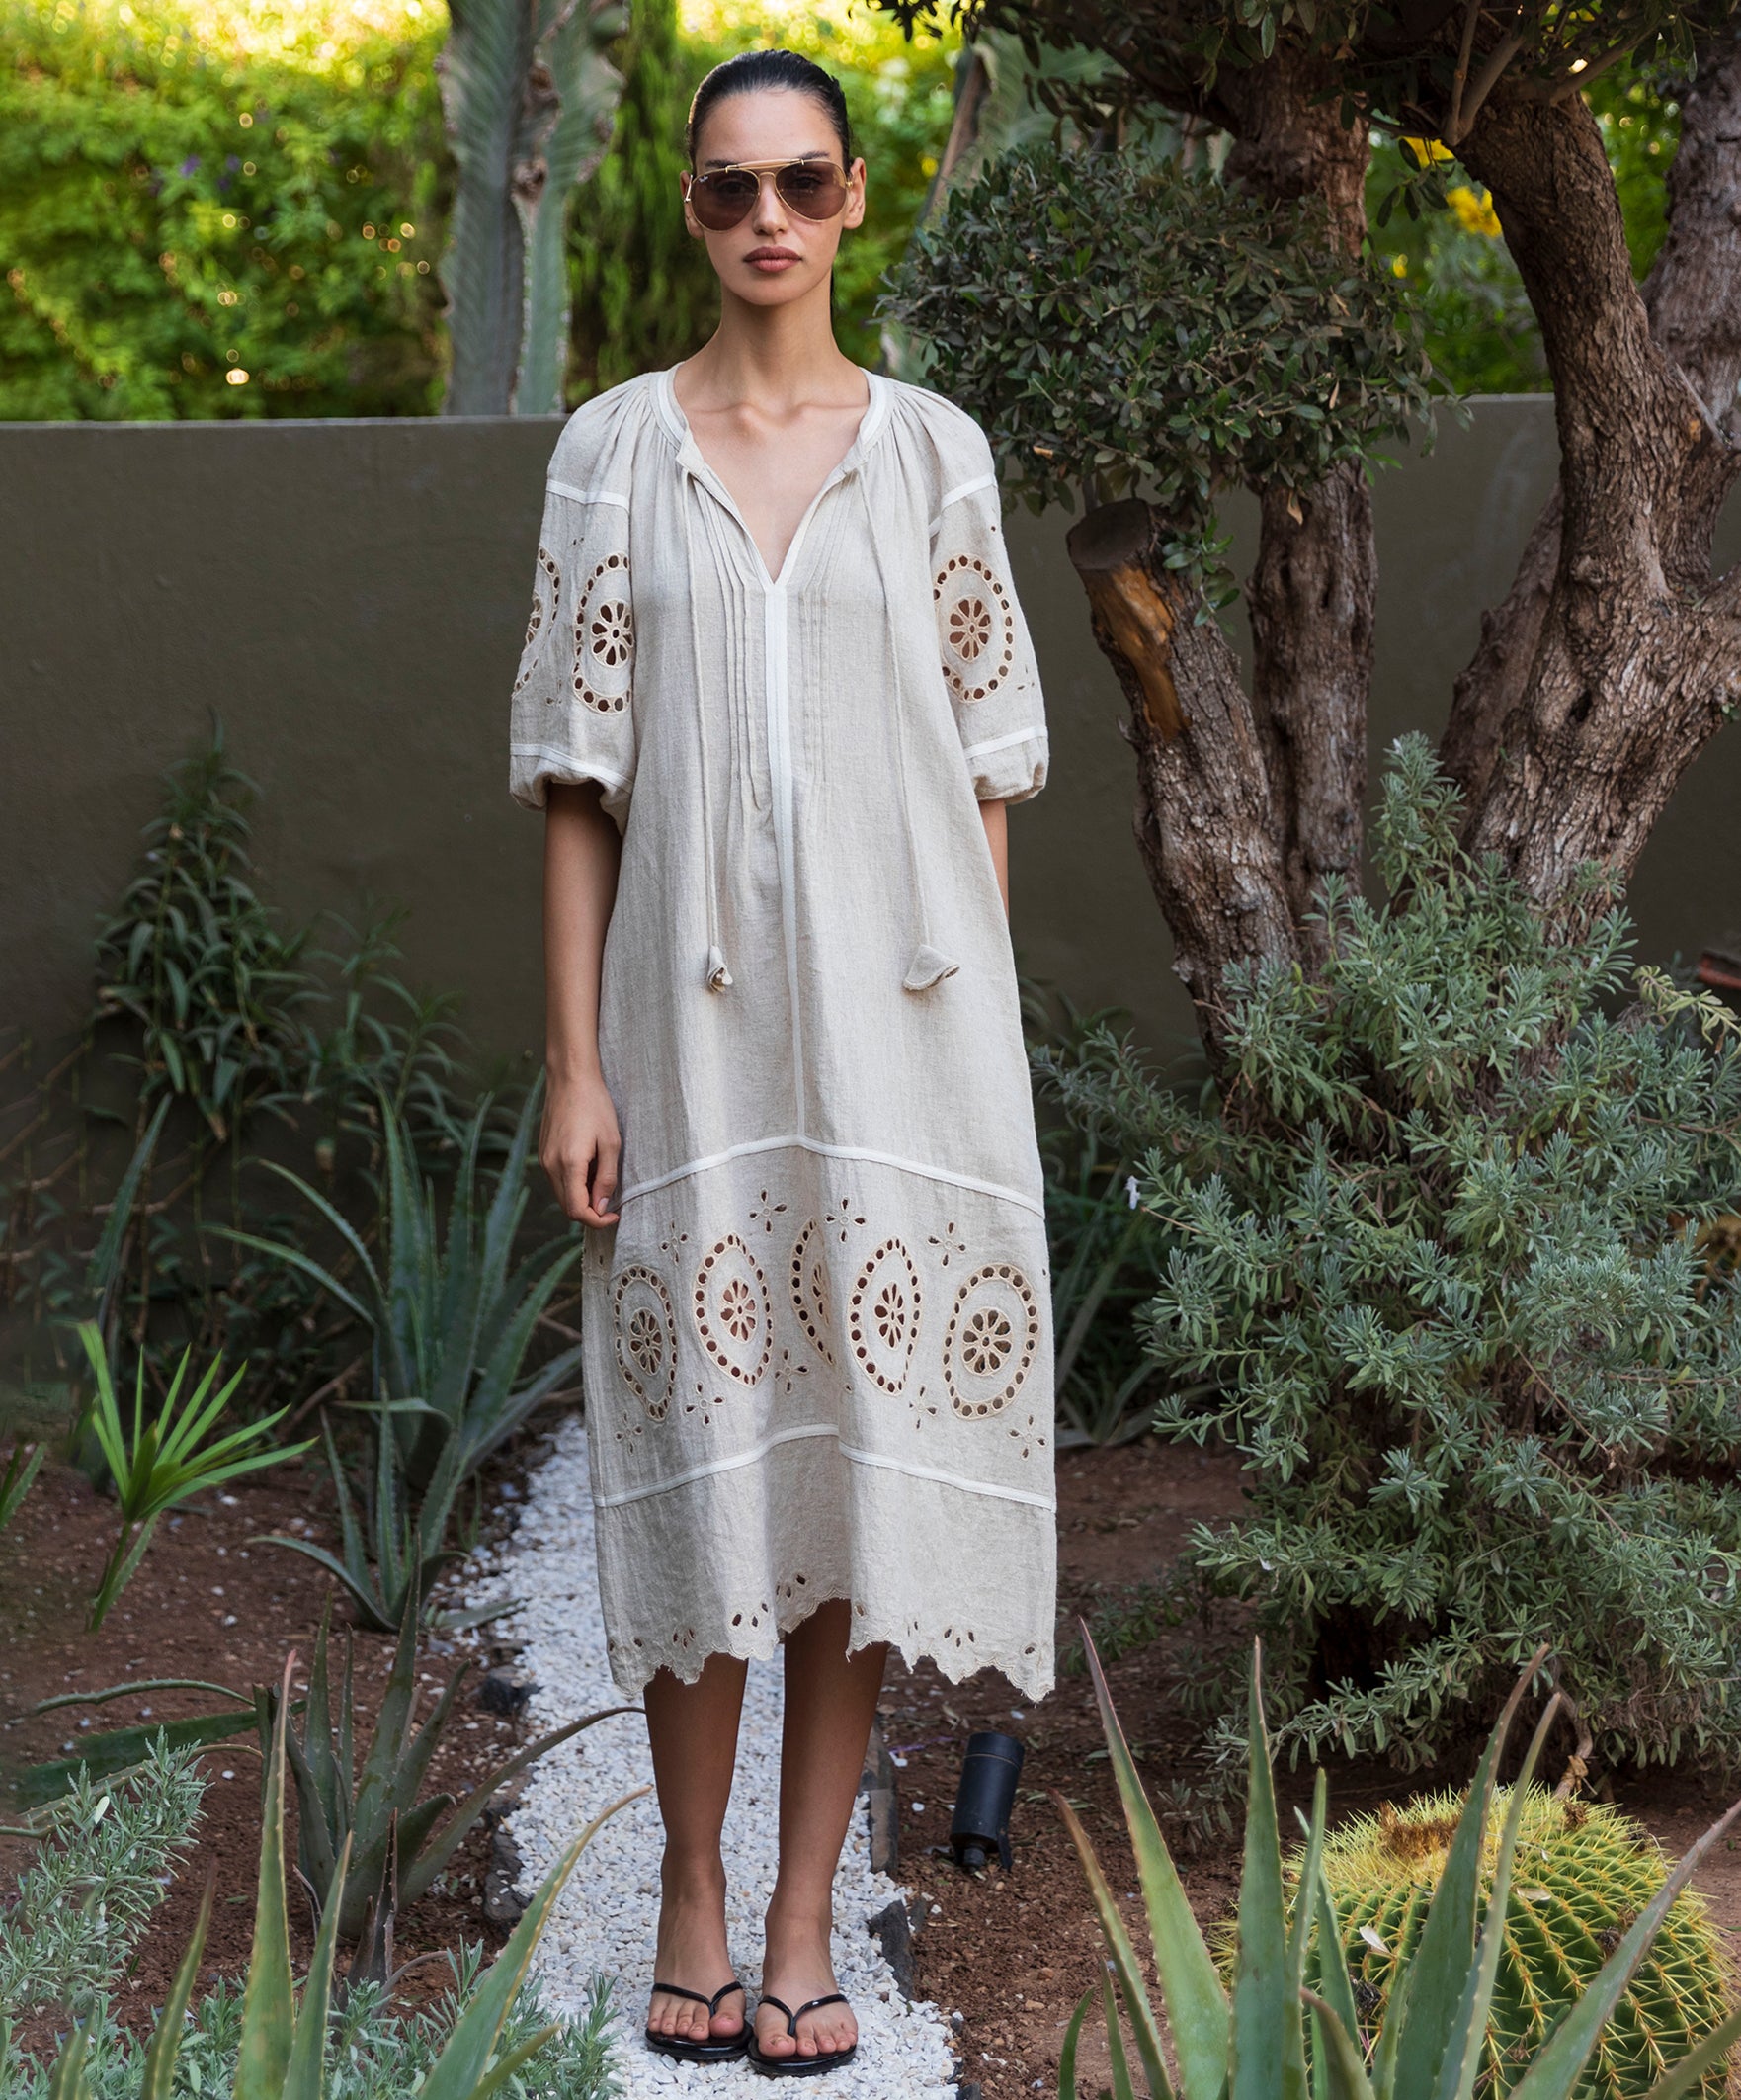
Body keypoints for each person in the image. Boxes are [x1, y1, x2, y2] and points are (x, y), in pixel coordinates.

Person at [507, 45, 1055, 2077]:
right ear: (686, 210)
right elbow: (575, 786)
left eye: (799, 182)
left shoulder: (933, 456)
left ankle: (807, 1915)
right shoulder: (605, 455)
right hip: (685, 1039)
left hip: (902, 1053)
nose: (764, 218)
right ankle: (690, 1893)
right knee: (701, 1466)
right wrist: (574, 1064)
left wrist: (964, 1046)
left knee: (843, 1476)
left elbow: (987, 770)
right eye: (726, 186)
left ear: (851, 202)